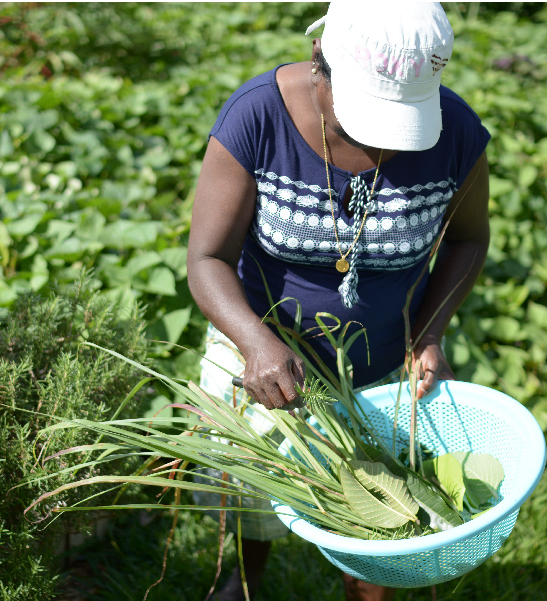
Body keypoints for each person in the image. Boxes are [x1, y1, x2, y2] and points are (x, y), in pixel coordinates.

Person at [187, 2, 490, 600]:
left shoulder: (455, 133)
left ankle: (368, 584)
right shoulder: (258, 118)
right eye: (364, 119)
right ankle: (243, 577)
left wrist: (427, 332)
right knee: (253, 488)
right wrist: (255, 343)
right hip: (264, 350)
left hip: (382, 359)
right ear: (319, 64)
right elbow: (207, 259)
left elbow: (469, 238)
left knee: (378, 498)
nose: (382, 140)